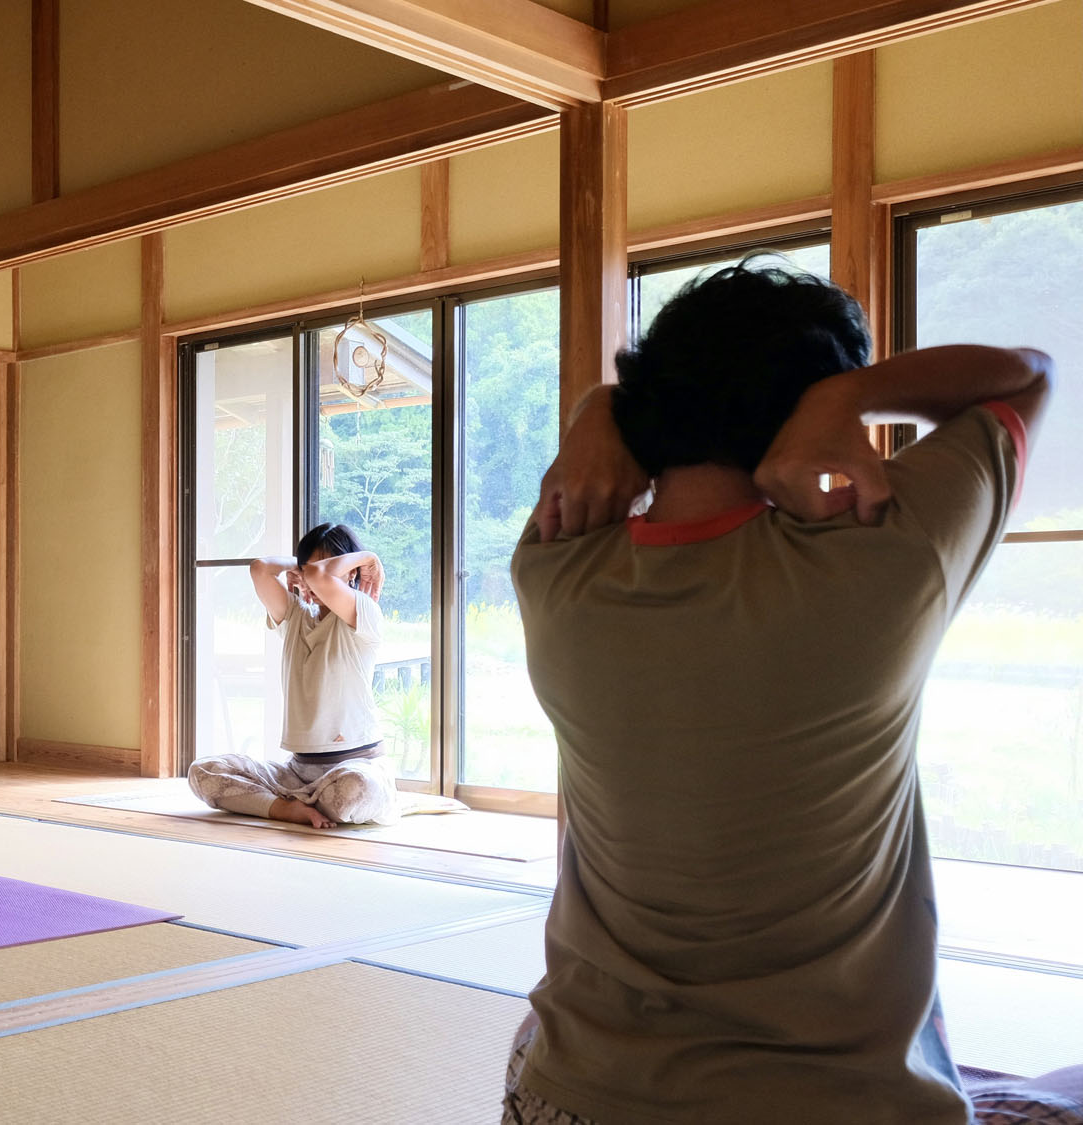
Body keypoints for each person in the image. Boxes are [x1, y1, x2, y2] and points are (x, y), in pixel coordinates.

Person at [506, 259, 1080, 1124]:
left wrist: (597, 412)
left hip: (570, 1098)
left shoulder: (553, 566)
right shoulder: (882, 561)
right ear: (816, 402)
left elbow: (615, 413)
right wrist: (848, 400)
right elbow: (1028, 373)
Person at [187, 522, 399, 828]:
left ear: (351, 572)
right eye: (306, 568)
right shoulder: (296, 616)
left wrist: (369, 557)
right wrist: (298, 567)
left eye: (325, 566)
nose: (313, 577)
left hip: (357, 766)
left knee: (356, 789)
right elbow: (260, 569)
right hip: (297, 773)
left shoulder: (364, 613)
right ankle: (285, 809)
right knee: (203, 771)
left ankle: (297, 804)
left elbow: (318, 577)